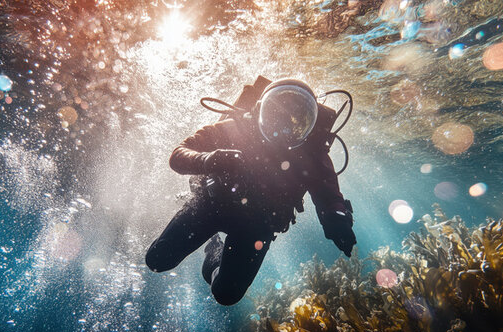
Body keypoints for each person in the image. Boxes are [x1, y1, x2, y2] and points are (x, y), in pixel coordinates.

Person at [145, 77, 357, 305]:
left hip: (257, 226)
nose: (283, 130)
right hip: (210, 206)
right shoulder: (234, 128)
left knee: (226, 295)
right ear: (258, 111)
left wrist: (337, 220)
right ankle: (214, 246)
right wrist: (208, 160)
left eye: (297, 122)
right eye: (275, 116)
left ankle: (214, 253)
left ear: (311, 126)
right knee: (157, 260)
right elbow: (179, 154)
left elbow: (329, 196)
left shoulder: (313, 155)